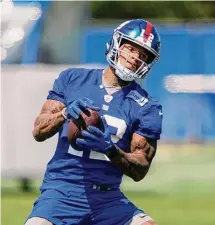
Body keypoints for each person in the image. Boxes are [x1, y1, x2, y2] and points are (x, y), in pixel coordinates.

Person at [25, 19, 163, 225]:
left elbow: (140, 169)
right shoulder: (72, 78)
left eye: (143, 55)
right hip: (61, 192)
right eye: (131, 48)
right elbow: (38, 130)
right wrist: (64, 114)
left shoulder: (146, 106)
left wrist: (111, 149)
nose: (135, 58)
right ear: (116, 43)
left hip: (108, 199)